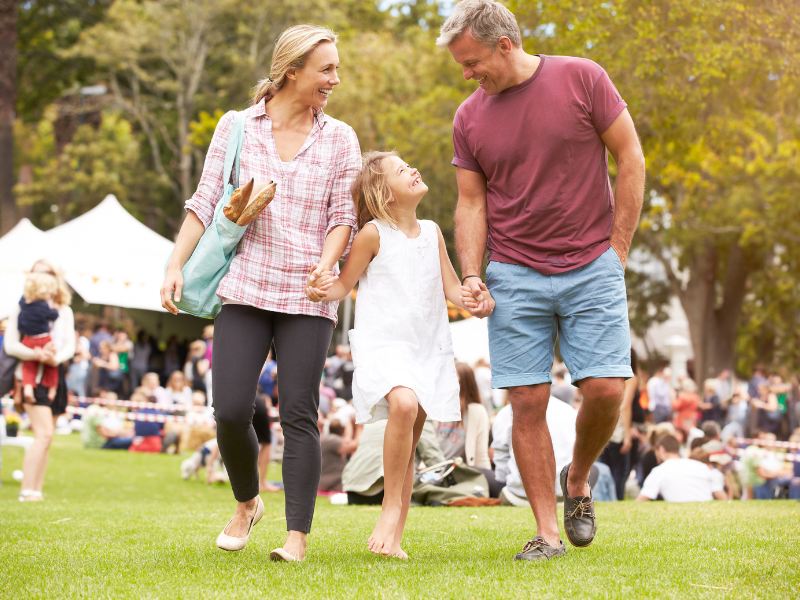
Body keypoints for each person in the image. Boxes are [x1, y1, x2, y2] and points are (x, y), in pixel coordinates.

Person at [438, 0, 645, 560]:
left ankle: (577, 478)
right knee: (526, 401)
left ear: (506, 44)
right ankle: (547, 533)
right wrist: (473, 274)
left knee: (605, 389)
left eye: (472, 60)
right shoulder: (469, 117)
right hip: (513, 272)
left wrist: (617, 249)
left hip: (591, 265)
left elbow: (629, 156)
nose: (467, 73)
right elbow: (470, 202)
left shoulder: (582, 77)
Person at [160, 24, 361, 562]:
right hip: (245, 284)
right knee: (228, 409)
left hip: (308, 294)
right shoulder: (237, 126)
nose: (334, 80)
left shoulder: (340, 138)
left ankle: (297, 537)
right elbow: (205, 200)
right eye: (327, 70)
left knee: (298, 412)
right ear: (291, 70)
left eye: (335, 70)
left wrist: (326, 266)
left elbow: (343, 216)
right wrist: (174, 263)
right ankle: (248, 502)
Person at [306, 150, 493, 558]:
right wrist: (322, 287)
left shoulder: (431, 232)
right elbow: (342, 286)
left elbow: (453, 290)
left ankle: (395, 538)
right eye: (400, 169)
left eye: (410, 163)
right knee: (403, 406)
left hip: (427, 345)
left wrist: (475, 297)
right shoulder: (373, 234)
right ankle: (389, 509)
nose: (413, 168)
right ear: (382, 192)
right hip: (385, 342)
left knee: (408, 442)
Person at [3, 259, 76, 502]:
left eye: (46, 273)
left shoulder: (64, 310)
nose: (40, 277)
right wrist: (36, 354)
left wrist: (56, 359)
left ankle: (36, 489)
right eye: (35, 273)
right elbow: (11, 345)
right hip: (30, 376)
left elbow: (69, 345)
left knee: (48, 437)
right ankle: (27, 489)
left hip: (56, 374)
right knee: (43, 434)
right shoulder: (21, 307)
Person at [636, 434, 726, 502]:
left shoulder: (659, 471)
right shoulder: (700, 466)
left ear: (661, 449)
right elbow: (719, 492)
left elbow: (643, 497)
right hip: (707, 511)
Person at [436, 362, 491, 470]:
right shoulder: (437, 408)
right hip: (434, 471)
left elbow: (481, 456)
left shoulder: (476, 411)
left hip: (462, 474)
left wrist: (484, 481)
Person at [16, 272, 61, 402]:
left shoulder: (24, 303)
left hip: (28, 339)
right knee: (51, 365)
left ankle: (28, 388)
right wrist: (55, 309)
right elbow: (53, 316)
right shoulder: (42, 305)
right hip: (43, 339)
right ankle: (52, 389)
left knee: (28, 366)